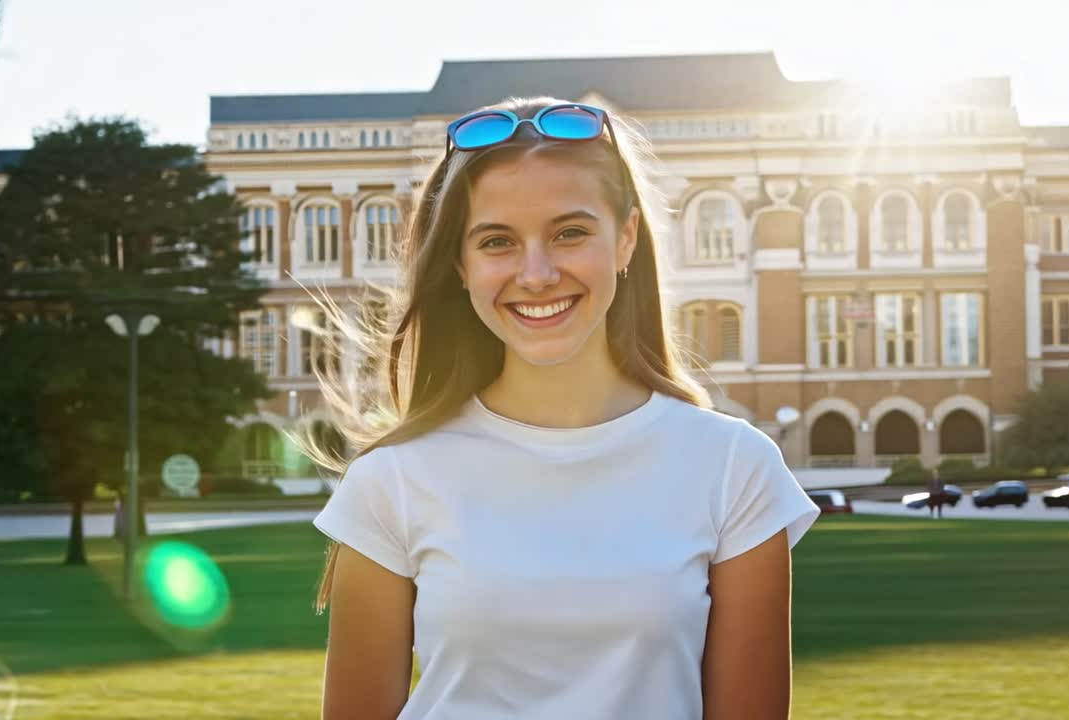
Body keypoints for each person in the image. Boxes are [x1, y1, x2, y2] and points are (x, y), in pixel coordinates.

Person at [303, 97, 821, 720]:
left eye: (569, 233)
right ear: (460, 267)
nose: (538, 273)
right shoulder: (390, 481)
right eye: (497, 242)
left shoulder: (734, 467)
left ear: (626, 237)